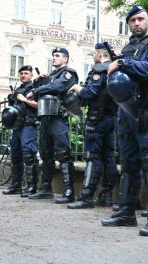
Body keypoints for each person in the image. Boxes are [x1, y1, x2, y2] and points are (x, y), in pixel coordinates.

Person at [100, 5, 148, 236]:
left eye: (141, 19)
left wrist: (121, 63)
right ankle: (127, 213)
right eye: (132, 20)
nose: (137, 23)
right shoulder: (128, 47)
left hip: (146, 111)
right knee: (129, 165)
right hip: (126, 113)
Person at [66, 43, 117, 209]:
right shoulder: (115, 69)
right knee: (109, 157)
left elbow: (89, 94)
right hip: (112, 118)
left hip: (97, 119)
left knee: (93, 156)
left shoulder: (99, 69)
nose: (94, 57)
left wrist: (76, 87)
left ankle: (87, 197)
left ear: (99, 54)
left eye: (94, 54)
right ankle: (106, 196)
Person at [26, 47, 79, 203]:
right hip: (45, 117)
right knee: (45, 153)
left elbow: (58, 87)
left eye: (57, 55)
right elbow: (35, 91)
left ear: (66, 59)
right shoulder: (50, 76)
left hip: (58, 117)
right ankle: (45, 188)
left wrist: (37, 90)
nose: (54, 58)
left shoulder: (69, 73)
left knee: (63, 153)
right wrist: (38, 81)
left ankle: (69, 191)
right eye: (53, 56)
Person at [2, 65, 39, 197]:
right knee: (15, 155)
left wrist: (23, 99)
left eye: (26, 73)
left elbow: (38, 105)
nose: (23, 75)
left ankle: (32, 187)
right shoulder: (18, 89)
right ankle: (16, 185)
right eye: (22, 73)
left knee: (28, 155)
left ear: (31, 75)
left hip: (29, 124)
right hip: (17, 126)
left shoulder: (35, 87)